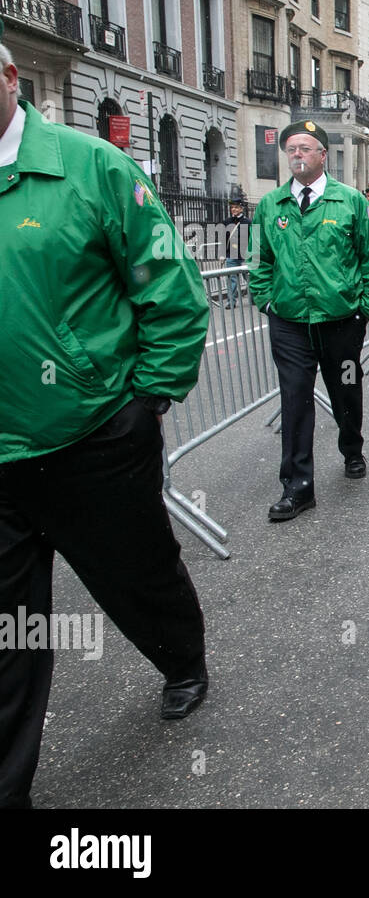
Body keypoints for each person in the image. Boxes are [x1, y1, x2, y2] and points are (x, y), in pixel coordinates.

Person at [0, 41, 210, 807]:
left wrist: (142, 403)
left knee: (136, 575)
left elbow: (171, 290)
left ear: (11, 80)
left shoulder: (94, 168)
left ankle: (182, 657)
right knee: (8, 639)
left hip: (93, 438)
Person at [248, 119, 369, 521]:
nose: (296, 154)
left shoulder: (350, 202)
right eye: (291, 148)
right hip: (290, 323)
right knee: (294, 399)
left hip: (342, 321)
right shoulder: (269, 205)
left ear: (322, 156)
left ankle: (352, 448)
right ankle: (297, 486)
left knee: (346, 389)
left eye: (305, 148)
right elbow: (256, 257)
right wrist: (266, 300)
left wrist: (366, 308)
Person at [221, 193, 250, 308]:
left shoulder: (248, 222)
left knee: (250, 279)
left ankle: (254, 298)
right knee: (231, 280)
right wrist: (222, 254)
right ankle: (231, 302)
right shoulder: (226, 222)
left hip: (245, 255)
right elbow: (224, 239)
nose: (234, 209)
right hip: (231, 255)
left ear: (241, 208)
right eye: (232, 207)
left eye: (236, 207)